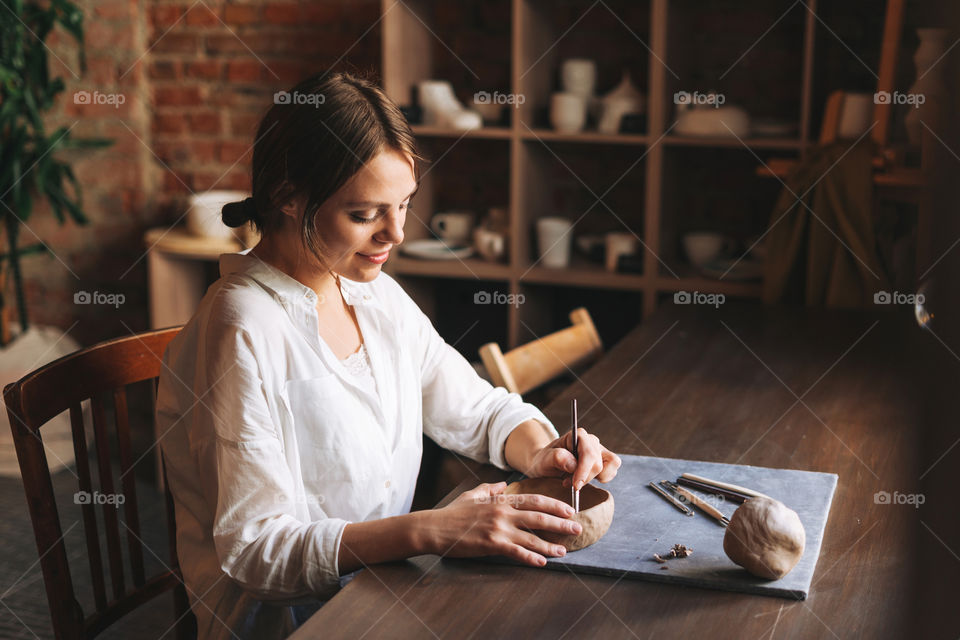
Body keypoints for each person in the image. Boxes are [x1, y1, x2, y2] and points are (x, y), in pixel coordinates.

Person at [155, 71, 621, 640]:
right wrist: (432, 530)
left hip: (388, 588)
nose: (396, 233)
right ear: (286, 196)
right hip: (292, 623)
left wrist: (544, 448)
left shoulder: (372, 293)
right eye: (364, 214)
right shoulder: (241, 327)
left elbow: (475, 407)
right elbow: (257, 553)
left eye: (403, 205)